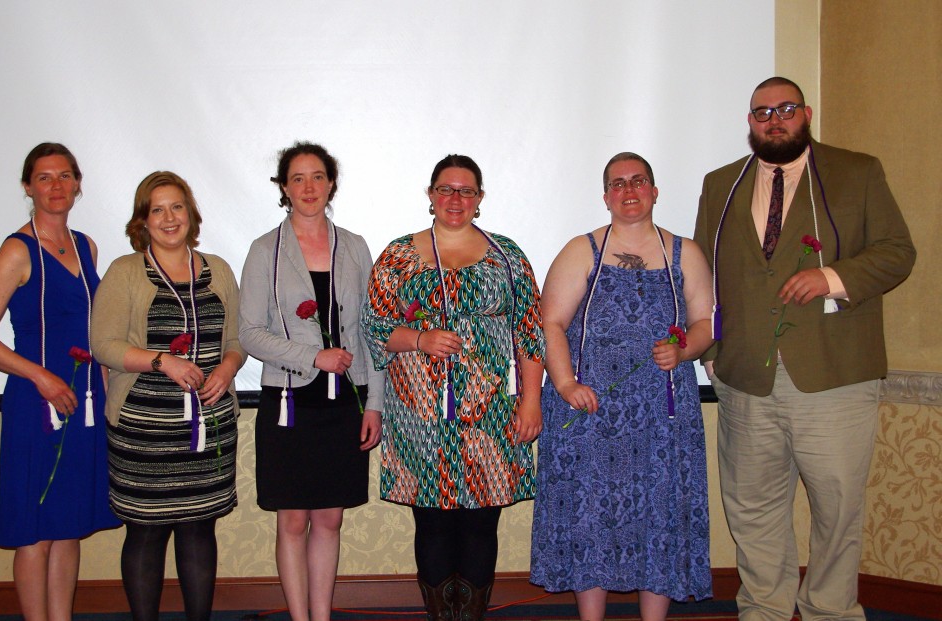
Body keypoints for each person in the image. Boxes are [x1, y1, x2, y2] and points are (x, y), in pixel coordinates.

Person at [694, 77, 916, 620]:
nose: (775, 119)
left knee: (837, 511)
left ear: (806, 114)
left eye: (786, 109)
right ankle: (764, 609)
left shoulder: (856, 171)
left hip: (834, 377)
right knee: (752, 510)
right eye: (762, 112)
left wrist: (832, 277)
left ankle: (830, 611)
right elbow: (702, 270)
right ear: (750, 122)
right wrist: (710, 349)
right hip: (745, 379)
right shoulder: (721, 184)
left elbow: (896, 252)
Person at [530, 153, 714, 620]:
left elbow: (704, 324)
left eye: (639, 182)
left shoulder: (685, 252)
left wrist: (685, 349)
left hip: (662, 414)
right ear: (606, 195)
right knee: (590, 520)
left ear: (654, 190)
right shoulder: (582, 249)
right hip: (590, 410)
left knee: (660, 517)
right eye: (618, 183)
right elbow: (550, 322)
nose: (629, 191)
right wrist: (567, 383)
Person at [361, 154, 545, 621]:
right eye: (446, 189)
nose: (455, 199)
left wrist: (531, 401)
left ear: (480, 199)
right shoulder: (399, 255)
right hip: (418, 415)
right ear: (430, 195)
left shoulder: (507, 255)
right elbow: (373, 326)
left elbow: (530, 331)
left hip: (490, 415)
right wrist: (420, 339)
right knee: (434, 523)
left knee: (482, 524)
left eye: (466, 191)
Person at [0, 142, 119, 621]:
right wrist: (42, 377)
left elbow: (98, 330)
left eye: (65, 176)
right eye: (45, 177)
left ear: (77, 185)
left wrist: (110, 394)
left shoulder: (86, 246)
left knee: (68, 523)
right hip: (37, 401)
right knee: (35, 527)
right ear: (28, 187)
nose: (56, 186)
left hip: (86, 399)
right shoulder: (17, 250)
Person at [238, 142, 384, 621]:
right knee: (293, 519)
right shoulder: (265, 250)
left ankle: (321, 616)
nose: (308, 188)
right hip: (289, 403)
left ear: (331, 184)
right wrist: (312, 356)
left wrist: (374, 404)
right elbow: (249, 333)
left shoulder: (356, 247)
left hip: (345, 404)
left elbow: (372, 332)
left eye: (317, 177)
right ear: (283, 187)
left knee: (330, 518)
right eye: (297, 179)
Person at [91, 171, 245, 621]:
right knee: (145, 534)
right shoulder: (125, 272)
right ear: (143, 219)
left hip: (208, 428)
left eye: (177, 206)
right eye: (157, 209)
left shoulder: (218, 269)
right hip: (143, 431)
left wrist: (228, 368)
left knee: (199, 531)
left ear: (190, 214)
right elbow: (104, 344)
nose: (169, 217)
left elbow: (235, 341)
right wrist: (163, 361)